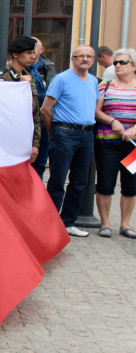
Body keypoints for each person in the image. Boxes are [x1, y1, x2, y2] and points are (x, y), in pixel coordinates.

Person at [40, 44, 99, 237]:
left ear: (93, 59)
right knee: (57, 179)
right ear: (72, 59)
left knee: (80, 181)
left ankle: (68, 222)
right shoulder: (62, 79)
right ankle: (49, 223)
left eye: (89, 56)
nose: (85, 59)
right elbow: (46, 109)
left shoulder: (92, 81)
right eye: (80, 56)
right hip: (65, 132)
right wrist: (53, 132)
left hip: (87, 134)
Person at [93, 48, 136, 238]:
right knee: (105, 183)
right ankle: (105, 223)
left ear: (133, 66)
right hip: (107, 144)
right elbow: (96, 111)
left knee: (131, 186)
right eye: (116, 62)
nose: (117, 65)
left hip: (133, 146)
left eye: (122, 63)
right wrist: (113, 121)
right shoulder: (105, 85)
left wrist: (134, 128)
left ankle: (125, 224)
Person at [0, 36, 41, 163]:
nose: (33, 56)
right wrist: (18, 86)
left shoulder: (28, 77)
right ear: (15, 54)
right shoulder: (2, 77)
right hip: (6, 141)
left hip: (25, 139)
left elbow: (35, 113)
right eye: (29, 53)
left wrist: (35, 143)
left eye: (33, 53)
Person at [28, 37, 57, 177]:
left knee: (40, 162)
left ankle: (36, 194)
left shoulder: (49, 68)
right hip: (26, 122)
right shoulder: (19, 70)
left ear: (41, 50)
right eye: (29, 51)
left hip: (43, 121)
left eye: (34, 50)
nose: (31, 54)